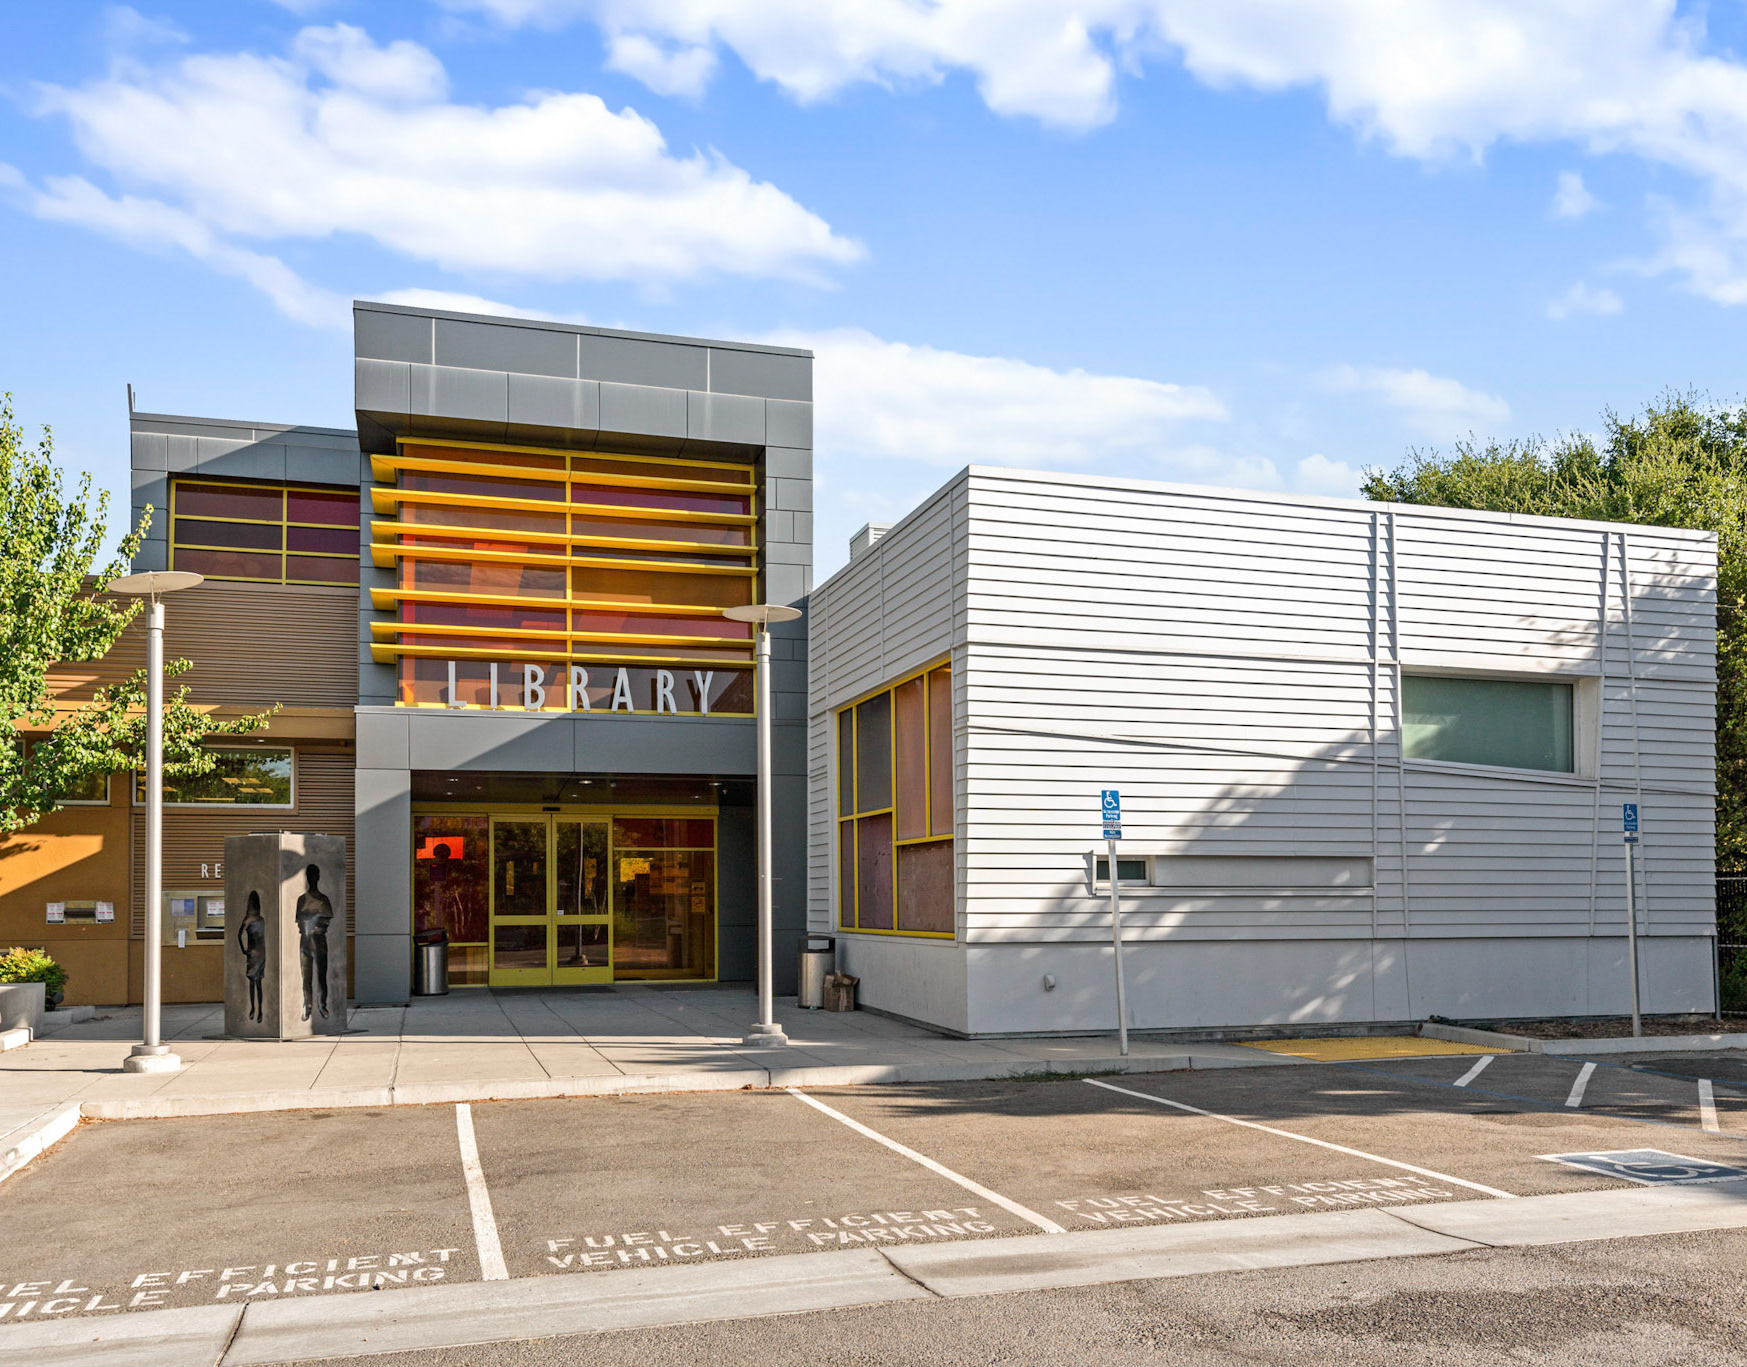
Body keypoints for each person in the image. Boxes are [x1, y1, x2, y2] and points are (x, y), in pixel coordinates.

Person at [295, 863, 335, 1021]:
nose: (312, 878)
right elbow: (299, 921)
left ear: (318, 877)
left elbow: (326, 919)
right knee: (306, 978)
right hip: (305, 942)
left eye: (314, 875)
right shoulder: (301, 900)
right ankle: (308, 1006)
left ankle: (322, 1005)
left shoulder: (323, 899)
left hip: (319, 942)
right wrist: (313, 921)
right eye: (309, 875)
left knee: (321, 976)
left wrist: (314, 921)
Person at [237, 891, 267, 1023]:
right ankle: (259, 1010)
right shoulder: (261, 920)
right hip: (261, 953)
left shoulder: (247, 919)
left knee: (252, 983)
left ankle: (253, 1008)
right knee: (259, 983)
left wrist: (243, 950)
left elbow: (239, 935)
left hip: (252, 953)